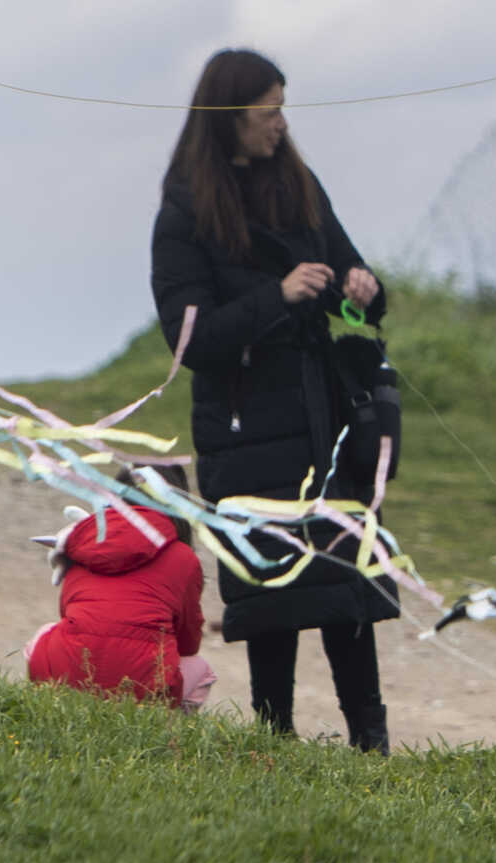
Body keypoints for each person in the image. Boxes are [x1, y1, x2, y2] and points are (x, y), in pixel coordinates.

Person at [149, 48, 398, 754]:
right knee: (270, 597)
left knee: (346, 584)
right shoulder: (185, 211)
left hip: (324, 419)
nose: (281, 127)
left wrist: (363, 290)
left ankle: (370, 741)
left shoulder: (300, 184)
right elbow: (187, 337)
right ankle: (272, 738)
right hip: (245, 428)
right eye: (268, 113)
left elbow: (359, 276)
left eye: (283, 110)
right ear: (231, 119)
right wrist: (276, 296)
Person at [26, 503, 216, 711]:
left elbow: (67, 612)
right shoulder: (184, 556)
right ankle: (169, 730)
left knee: (46, 634)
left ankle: (49, 708)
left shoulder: (83, 546)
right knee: (200, 669)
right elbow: (188, 644)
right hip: (146, 686)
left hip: (71, 674)